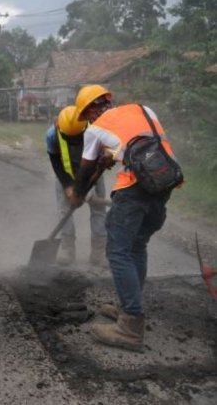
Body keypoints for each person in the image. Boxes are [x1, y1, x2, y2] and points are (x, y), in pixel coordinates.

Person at [68, 84, 180, 352]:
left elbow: (85, 171)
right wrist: (114, 154)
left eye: (87, 116)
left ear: (91, 109)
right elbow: (139, 144)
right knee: (136, 246)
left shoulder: (96, 128)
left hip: (134, 187)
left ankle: (130, 326)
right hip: (164, 182)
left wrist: (77, 194)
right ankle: (129, 305)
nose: (89, 121)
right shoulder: (143, 109)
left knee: (118, 251)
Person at [45, 105, 107, 267]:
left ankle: (98, 252)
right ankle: (67, 248)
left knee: (98, 209)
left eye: (77, 138)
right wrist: (68, 186)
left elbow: (100, 163)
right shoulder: (52, 134)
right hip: (66, 173)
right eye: (69, 138)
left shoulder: (96, 131)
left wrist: (87, 190)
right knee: (64, 209)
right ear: (59, 126)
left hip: (93, 172)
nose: (73, 142)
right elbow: (56, 162)